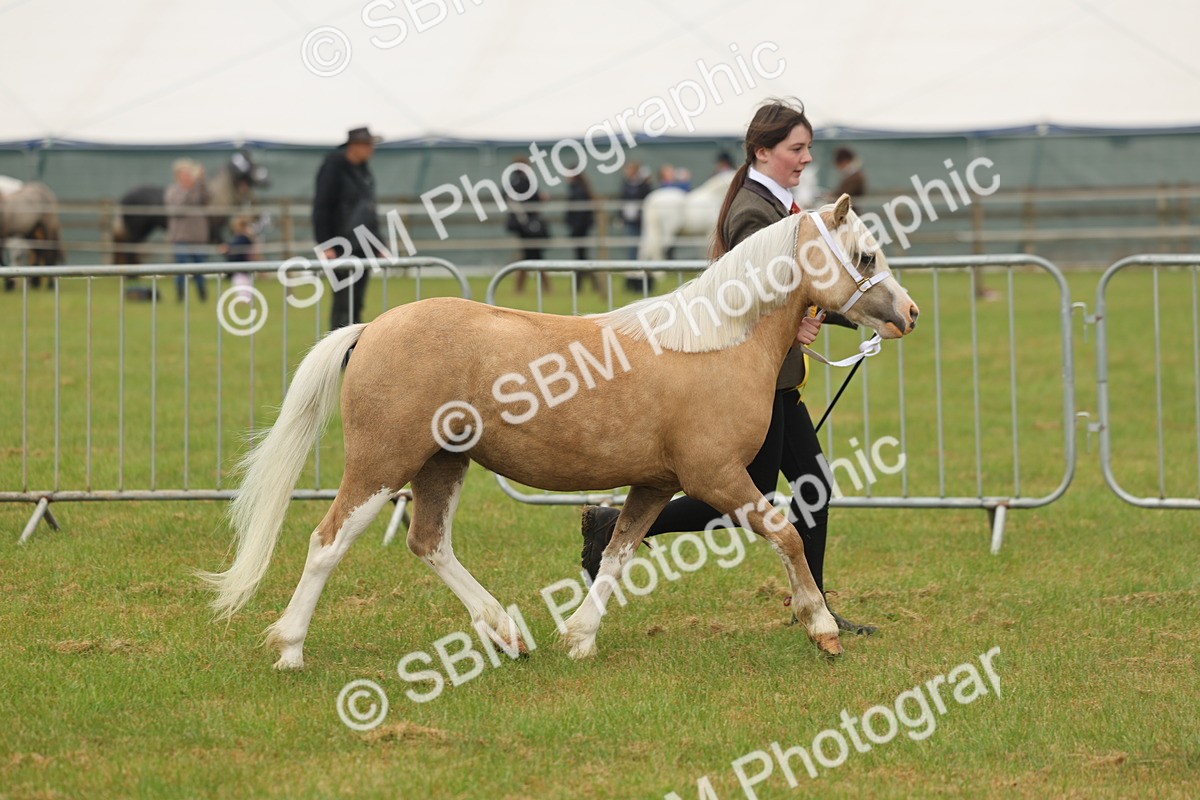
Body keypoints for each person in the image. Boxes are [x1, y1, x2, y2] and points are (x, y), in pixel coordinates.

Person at [579, 98, 876, 635]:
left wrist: (835, 316)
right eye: (796, 149)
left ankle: (814, 604)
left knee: (809, 487)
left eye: (808, 148)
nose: (806, 158)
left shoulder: (776, 206)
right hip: (749, 382)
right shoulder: (753, 213)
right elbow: (752, 298)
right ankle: (611, 527)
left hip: (776, 379)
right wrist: (820, 316)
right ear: (763, 152)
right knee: (741, 497)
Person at [312, 126, 385, 329]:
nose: (372, 149)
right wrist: (326, 244)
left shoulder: (363, 172)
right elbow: (322, 206)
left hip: (362, 246)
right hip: (340, 245)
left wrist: (378, 245)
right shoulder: (333, 168)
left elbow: (368, 212)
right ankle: (339, 354)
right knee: (343, 302)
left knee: (357, 302)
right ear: (354, 146)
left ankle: (352, 354)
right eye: (368, 145)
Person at [505, 156, 552, 293]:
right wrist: (540, 198)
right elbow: (532, 198)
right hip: (528, 225)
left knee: (530, 255)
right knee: (533, 256)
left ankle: (521, 288)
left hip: (522, 225)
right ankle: (543, 287)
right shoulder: (524, 182)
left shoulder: (511, 181)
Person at [165, 159, 210, 302]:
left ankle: (203, 297)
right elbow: (177, 209)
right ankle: (180, 296)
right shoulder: (173, 191)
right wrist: (189, 189)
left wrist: (201, 182)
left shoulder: (197, 189)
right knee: (181, 270)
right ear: (178, 175)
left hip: (198, 237)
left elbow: (208, 198)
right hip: (181, 238)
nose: (189, 176)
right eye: (186, 173)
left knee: (200, 270)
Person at [564, 171, 601, 292]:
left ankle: (581, 286)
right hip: (581, 228)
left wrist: (575, 227)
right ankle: (586, 285)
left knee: (581, 258)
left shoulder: (577, 190)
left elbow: (578, 212)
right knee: (581, 257)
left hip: (579, 228)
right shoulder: (580, 188)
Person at [618, 161, 653, 259]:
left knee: (644, 244)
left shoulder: (644, 185)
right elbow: (622, 200)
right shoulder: (625, 184)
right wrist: (621, 216)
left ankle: (645, 267)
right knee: (632, 244)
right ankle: (633, 268)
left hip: (642, 218)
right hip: (630, 219)